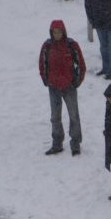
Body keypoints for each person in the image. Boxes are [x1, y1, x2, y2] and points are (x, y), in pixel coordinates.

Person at [38, 19, 86, 155]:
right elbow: (42, 64)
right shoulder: (47, 47)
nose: (57, 34)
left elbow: (81, 64)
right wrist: (45, 79)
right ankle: (57, 142)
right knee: (55, 117)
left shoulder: (72, 45)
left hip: (69, 86)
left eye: (59, 32)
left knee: (74, 116)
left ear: (63, 32)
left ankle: (75, 143)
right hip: (53, 87)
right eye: (54, 32)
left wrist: (77, 81)